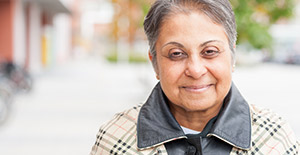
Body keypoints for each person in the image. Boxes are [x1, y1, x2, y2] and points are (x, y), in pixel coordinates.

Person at [90, 0, 299, 154]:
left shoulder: (274, 139)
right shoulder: (115, 138)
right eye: (176, 54)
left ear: (232, 57)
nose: (196, 70)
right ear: (154, 62)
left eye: (210, 51)